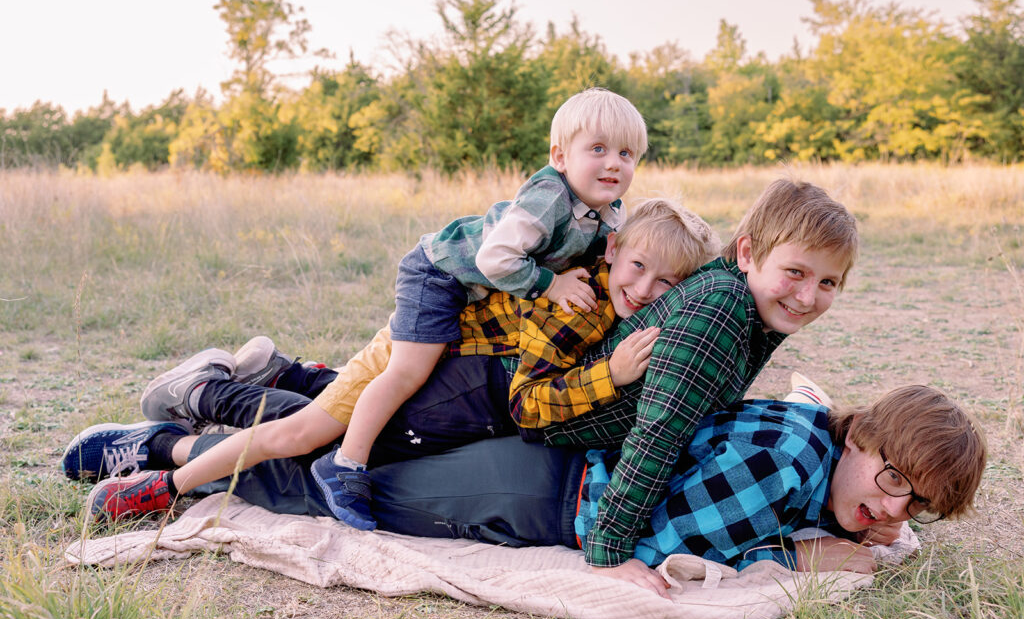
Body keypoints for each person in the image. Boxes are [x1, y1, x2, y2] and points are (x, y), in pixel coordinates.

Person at [67, 177, 858, 593]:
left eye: (828, 285)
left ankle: (228, 387)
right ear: (750, 253)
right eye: (797, 274)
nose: (808, 296)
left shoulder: (719, 303)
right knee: (328, 440)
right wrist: (612, 548)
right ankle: (173, 445)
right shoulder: (703, 313)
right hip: (477, 385)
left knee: (337, 414)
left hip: (482, 387)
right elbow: (628, 426)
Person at [65, 197, 719, 508]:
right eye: (638, 269)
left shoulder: (615, 283)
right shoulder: (574, 295)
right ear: (613, 253)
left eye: (667, 284)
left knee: (338, 414)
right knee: (308, 437)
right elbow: (533, 396)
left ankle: (250, 380)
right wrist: (611, 375)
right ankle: (172, 452)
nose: (647, 289)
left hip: (446, 363)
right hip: (425, 352)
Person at [80, 380, 988, 597]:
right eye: (892, 478)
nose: (892, 511)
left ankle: (215, 395)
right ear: (861, 435)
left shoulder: (809, 447)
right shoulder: (788, 464)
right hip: (543, 493)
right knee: (343, 490)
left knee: (381, 442)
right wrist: (800, 552)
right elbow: (672, 536)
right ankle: (163, 449)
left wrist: (852, 527)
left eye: (916, 507)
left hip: (548, 464)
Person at [297, 87, 647, 527]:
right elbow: (493, 259)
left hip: (478, 294)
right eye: (598, 148)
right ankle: (345, 464)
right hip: (441, 272)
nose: (614, 162)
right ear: (560, 156)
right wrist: (552, 284)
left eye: (627, 153)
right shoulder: (548, 198)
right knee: (406, 372)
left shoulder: (610, 210)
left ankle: (300, 378)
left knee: (423, 371)